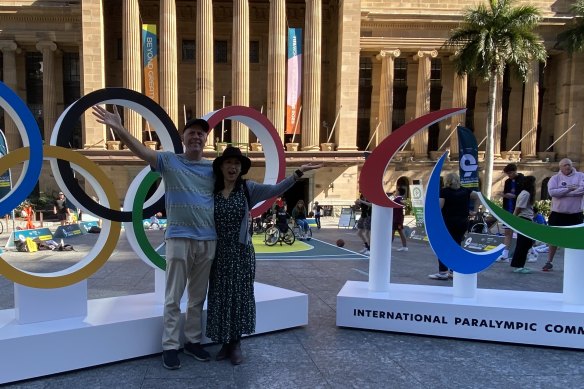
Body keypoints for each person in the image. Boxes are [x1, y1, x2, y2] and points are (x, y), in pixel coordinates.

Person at [92, 105, 216, 370]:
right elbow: (142, 151)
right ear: (183, 138)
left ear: (206, 140)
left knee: (197, 296)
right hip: (179, 237)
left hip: (207, 239)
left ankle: (193, 341)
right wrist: (119, 128)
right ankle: (171, 345)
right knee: (173, 296)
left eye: (201, 134)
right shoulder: (169, 161)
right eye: (192, 133)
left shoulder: (213, 169)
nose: (197, 137)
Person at [206, 146, 321, 365]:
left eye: (237, 164)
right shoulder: (212, 191)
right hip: (218, 253)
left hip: (241, 252)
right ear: (221, 166)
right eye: (229, 163)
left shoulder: (248, 188)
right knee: (220, 297)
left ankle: (236, 343)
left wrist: (298, 173)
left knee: (239, 297)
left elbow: (276, 189)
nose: (233, 167)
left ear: (241, 168)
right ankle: (225, 342)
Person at [429, 173, 480, 280]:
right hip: (462, 222)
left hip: (447, 222)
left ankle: (443, 272)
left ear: (447, 181)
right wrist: (474, 211)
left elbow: (439, 207)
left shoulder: (444, 192)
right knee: (457, 245)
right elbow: (478, 196)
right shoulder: (466, 191)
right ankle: (454, 271)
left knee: (442, 246)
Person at [542, 158, 584, 271]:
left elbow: (582, 190)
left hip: (576, 214)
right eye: (565, 165)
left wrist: (563, 192)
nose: (567, 167)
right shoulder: (555, 178)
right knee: (553, 239)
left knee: (577, 239)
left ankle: (577, 263)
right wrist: (569, 189)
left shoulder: (580, 176)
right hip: (558, 214)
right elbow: (552, 192)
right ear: (560, 167)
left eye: (569, 165)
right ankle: (549, 261)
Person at [496, 163, 525, 262]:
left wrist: (514, 196)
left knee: (522, 233)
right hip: (508, 209)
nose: (509, 175)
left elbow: (524, 195)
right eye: (507, 174)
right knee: (507, 232)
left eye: (510, 173)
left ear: (515, 171)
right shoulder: (507, 181)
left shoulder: (523, 180)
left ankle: (529, 252)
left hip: (519, 210)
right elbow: (507, 193)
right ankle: (505, 254)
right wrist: (504, 195)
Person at [509, 176, 536, 273]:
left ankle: (519, 264)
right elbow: (519, 208)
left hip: (526, 219)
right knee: (523, 243)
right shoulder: (526, 194)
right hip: (524, 219)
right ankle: (518, 266)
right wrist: (513, 219)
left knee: (525, 243)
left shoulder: (524, 193)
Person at [392, 187, 408, 251]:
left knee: (395, 232)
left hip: (397, 219)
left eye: (396, 191)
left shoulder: (397, 200)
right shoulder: (400, 199)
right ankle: (404, 247)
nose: (395, 192)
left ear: (398, 192)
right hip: (399, 218)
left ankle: (404, 247)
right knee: (399, 232)